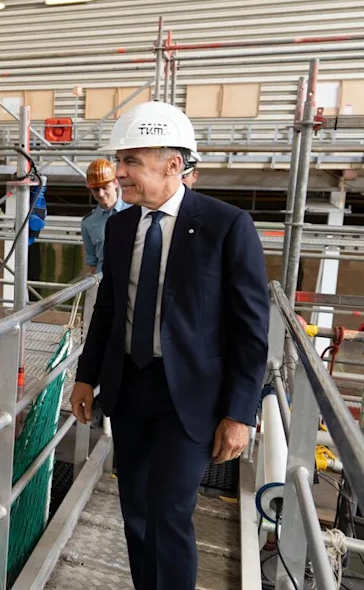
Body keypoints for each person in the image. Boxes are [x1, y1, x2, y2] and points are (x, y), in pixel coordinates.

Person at [70, 102, 269, 590]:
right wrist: (85, 375)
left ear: (173, 164)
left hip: (192, 397)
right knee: (135, 509)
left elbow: (251, 328)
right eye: (121, 161)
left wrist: (241, 413)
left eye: (132, 161)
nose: (120, 173)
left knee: (169, 511)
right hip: (130, 386)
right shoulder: (120, 226)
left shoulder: (226, 226)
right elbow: (109, 309)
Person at [81, 157, 128, 275]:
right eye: (96, 190)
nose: (101, 194)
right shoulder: (88, 223)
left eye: (105, 188)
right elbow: (92, 262)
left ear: (116, 183)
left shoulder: (135, 210)